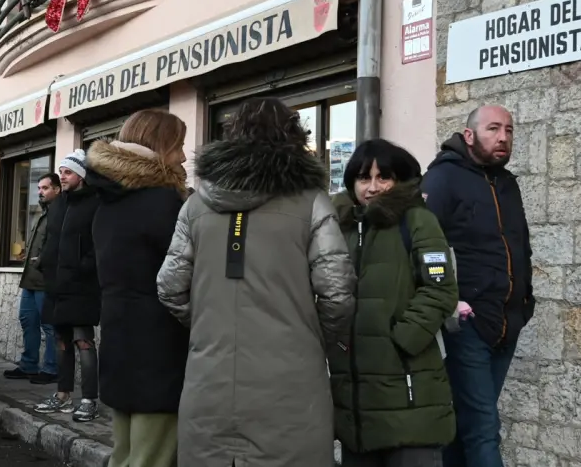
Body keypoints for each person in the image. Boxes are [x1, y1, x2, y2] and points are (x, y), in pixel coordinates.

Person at [158, 96, 356, 467]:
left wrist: (208, 324)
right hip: (291, 382)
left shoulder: (195, 205)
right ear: (294, 137)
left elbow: (170, 287)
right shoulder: (312, 202)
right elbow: (337, 294)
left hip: (210, 378)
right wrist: (309, 335)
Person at [329, 138, 457, 467]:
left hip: (409, 390)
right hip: (357, 406)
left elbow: (440, 289)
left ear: (399, 180)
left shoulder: (417, 220)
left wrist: (402, 341)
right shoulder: (338, 227)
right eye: (363, 178)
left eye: (383, 177)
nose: (372, 187)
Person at [422, 105, 533, 467]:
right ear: (469, 135)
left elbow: (521, 246)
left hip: (507, 323)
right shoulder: (442, 179)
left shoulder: (507, 184)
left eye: (509, 130)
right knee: (484, 428)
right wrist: (448, 301)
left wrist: (525, 303)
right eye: (493, 129)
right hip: (467, 326)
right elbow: (422, 247)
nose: (503, 137)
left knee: (465, 426)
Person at [87, 110, 190, 467]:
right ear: (159, 146)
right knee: (153, 458)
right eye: (178, 146)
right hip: (160, 351)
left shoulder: (107, 201)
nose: (183, 157)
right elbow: (185, 278)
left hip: (120, 342)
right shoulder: (164, 204)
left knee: (125, 455)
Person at [33, 149, 101, 422]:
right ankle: (63, 395)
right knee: (61, 341)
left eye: (68, 172)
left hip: (82, 286)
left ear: (81, 176)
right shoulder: (58, 203)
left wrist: (83, 267)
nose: (62, 176)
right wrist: (44, 263)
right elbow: (51, 239)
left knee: (83, 341)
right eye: (61, 171)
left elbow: (98, 245)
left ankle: (89, 399)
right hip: (56, 284)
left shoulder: (96, 202)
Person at [5, 172, 62, 384]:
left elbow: (55, 245)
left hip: (45, 280)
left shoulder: (59, 212)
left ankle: (51, 369)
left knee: (49, 326)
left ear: (57, 189)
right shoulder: (42, 213)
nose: (40, 192)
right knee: (28, 321)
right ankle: (28, 365)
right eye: (39, 188)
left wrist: (40, 261)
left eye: (45, 188)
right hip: (30, 279)